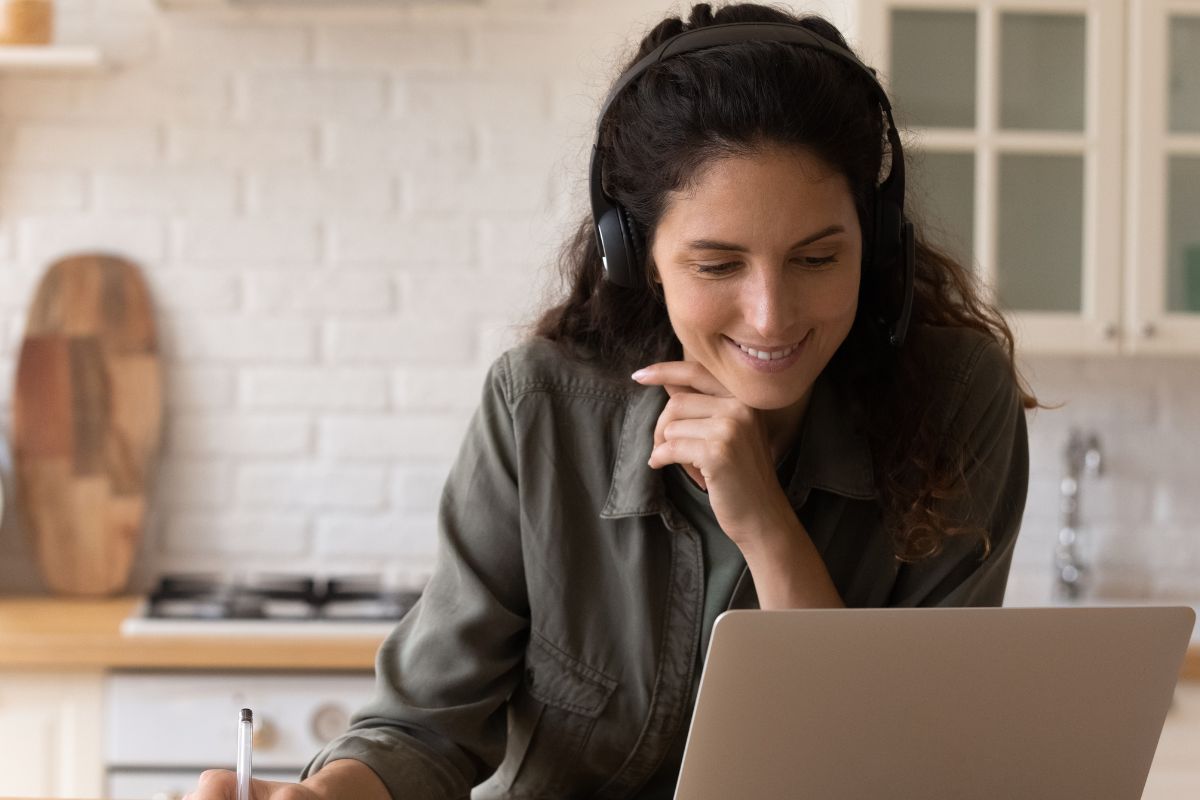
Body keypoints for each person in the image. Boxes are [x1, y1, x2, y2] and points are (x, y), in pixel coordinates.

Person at [184, 3, 1037, 799]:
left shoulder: (957, 402)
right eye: (717, 265)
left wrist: (766, 524)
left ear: (877, 241)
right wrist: (325, 795)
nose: (772, 315)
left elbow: (895, 773)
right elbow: (421, 730)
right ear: (635, 256)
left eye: (818, 259)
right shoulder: (541, 408)